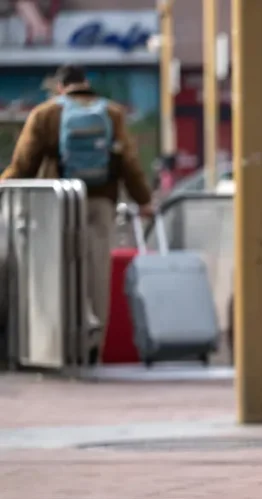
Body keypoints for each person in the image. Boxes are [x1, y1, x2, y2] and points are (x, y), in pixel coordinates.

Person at [1, 64, 153, 363]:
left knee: (54, 273)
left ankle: (56, 346)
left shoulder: (45, 114)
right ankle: (92, 347)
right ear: (86, 84)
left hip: (56, 205)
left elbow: (23, 165)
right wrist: (144, 200)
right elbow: (130, 164)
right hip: (100, 204)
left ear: (60, 87)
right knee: (97, 275)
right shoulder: (113, 113)